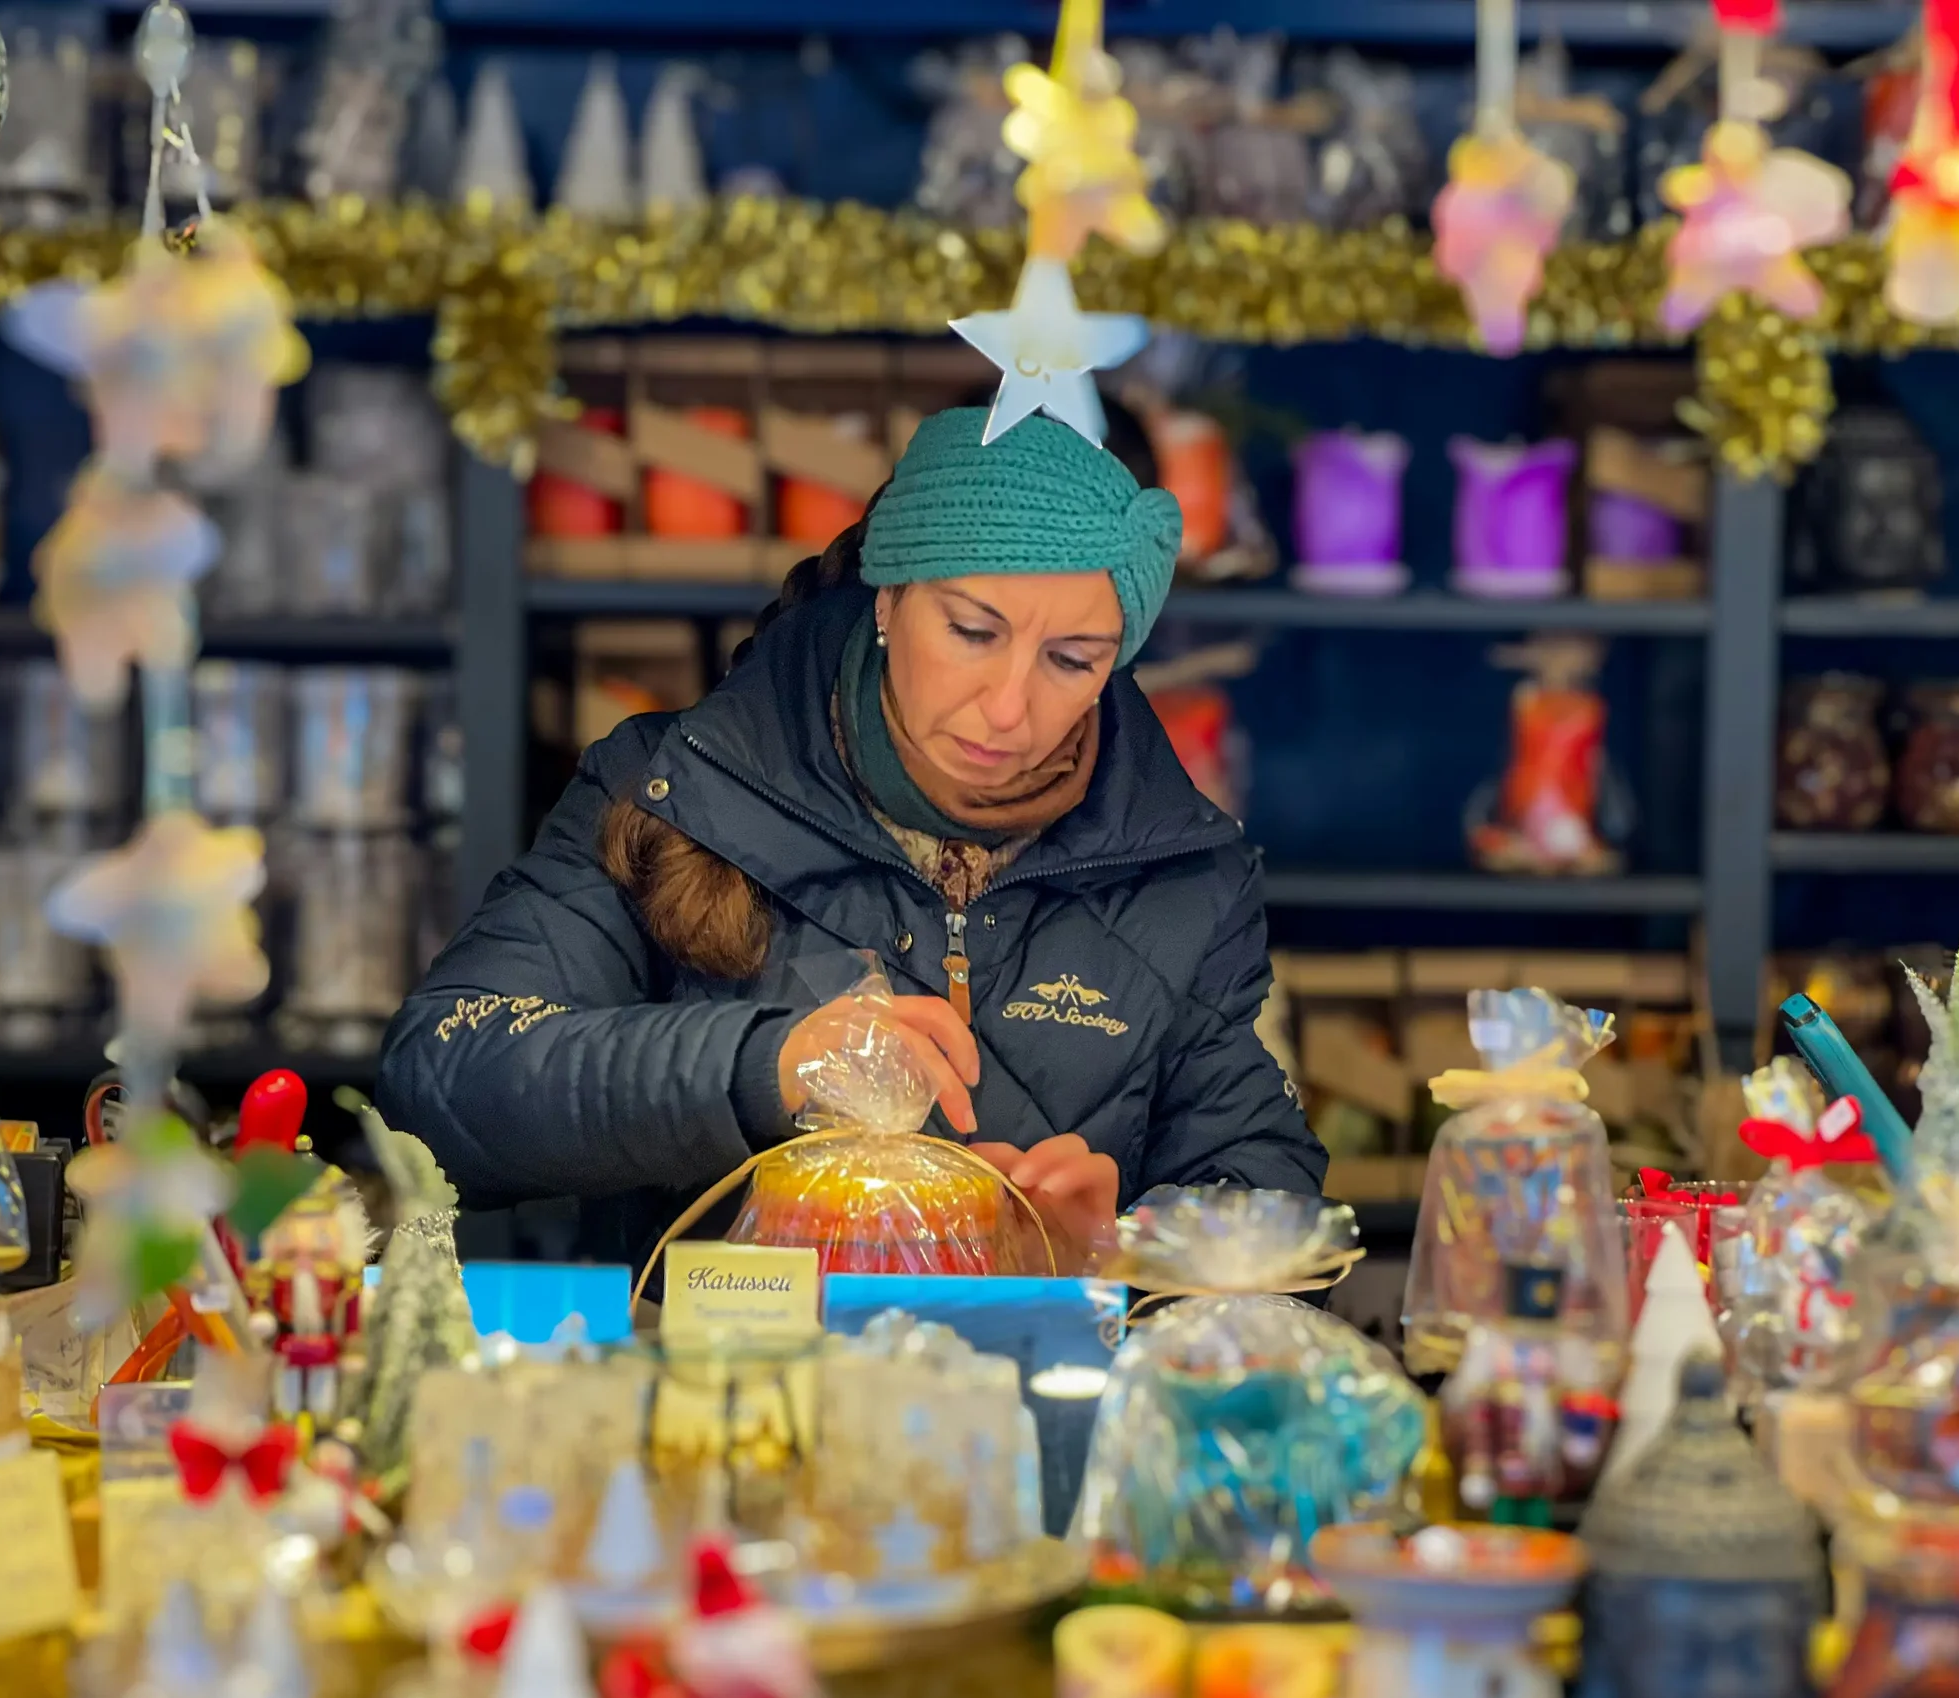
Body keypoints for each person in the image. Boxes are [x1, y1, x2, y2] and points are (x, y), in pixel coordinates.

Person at [375, 405, 1326, 1267]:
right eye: (970, 630)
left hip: (1029, 1423)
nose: (1008, 708)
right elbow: (444, 1081)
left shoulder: (1183, 877)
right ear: (888, 597)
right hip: (726, 1412)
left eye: (1071, 660)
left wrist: (1129, 1250)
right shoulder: (671, 790)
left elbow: (1271, 1196)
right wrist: (766, 1066)